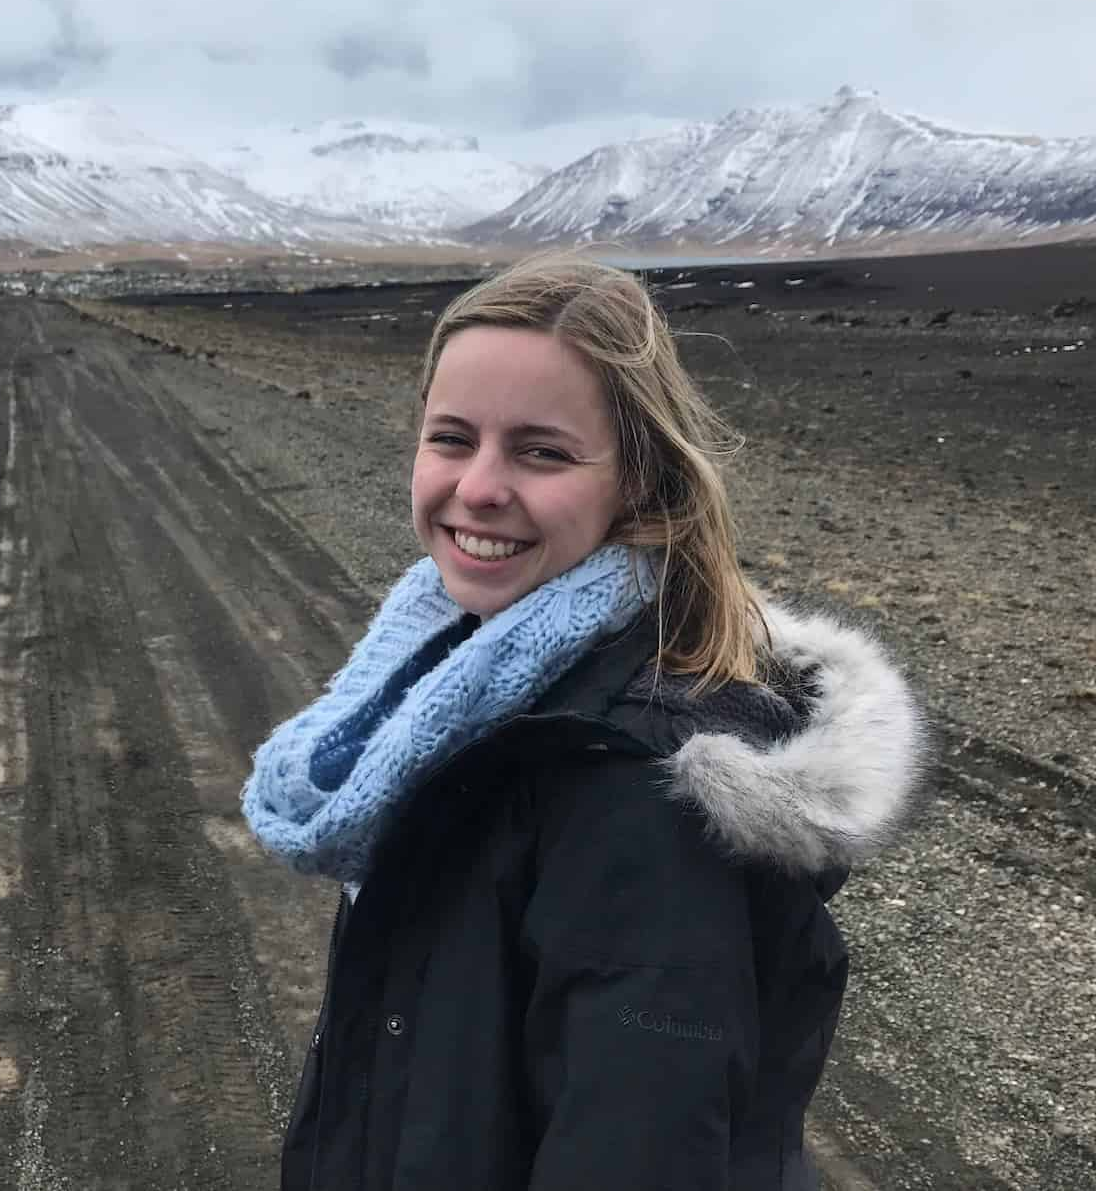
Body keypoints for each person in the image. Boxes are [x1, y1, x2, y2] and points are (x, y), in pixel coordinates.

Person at [242, 252, 931, 1190]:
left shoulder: (632, 784)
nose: (479, 487)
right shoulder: (461, 681)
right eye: (451, 438)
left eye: (542, 452)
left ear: (642, 486)